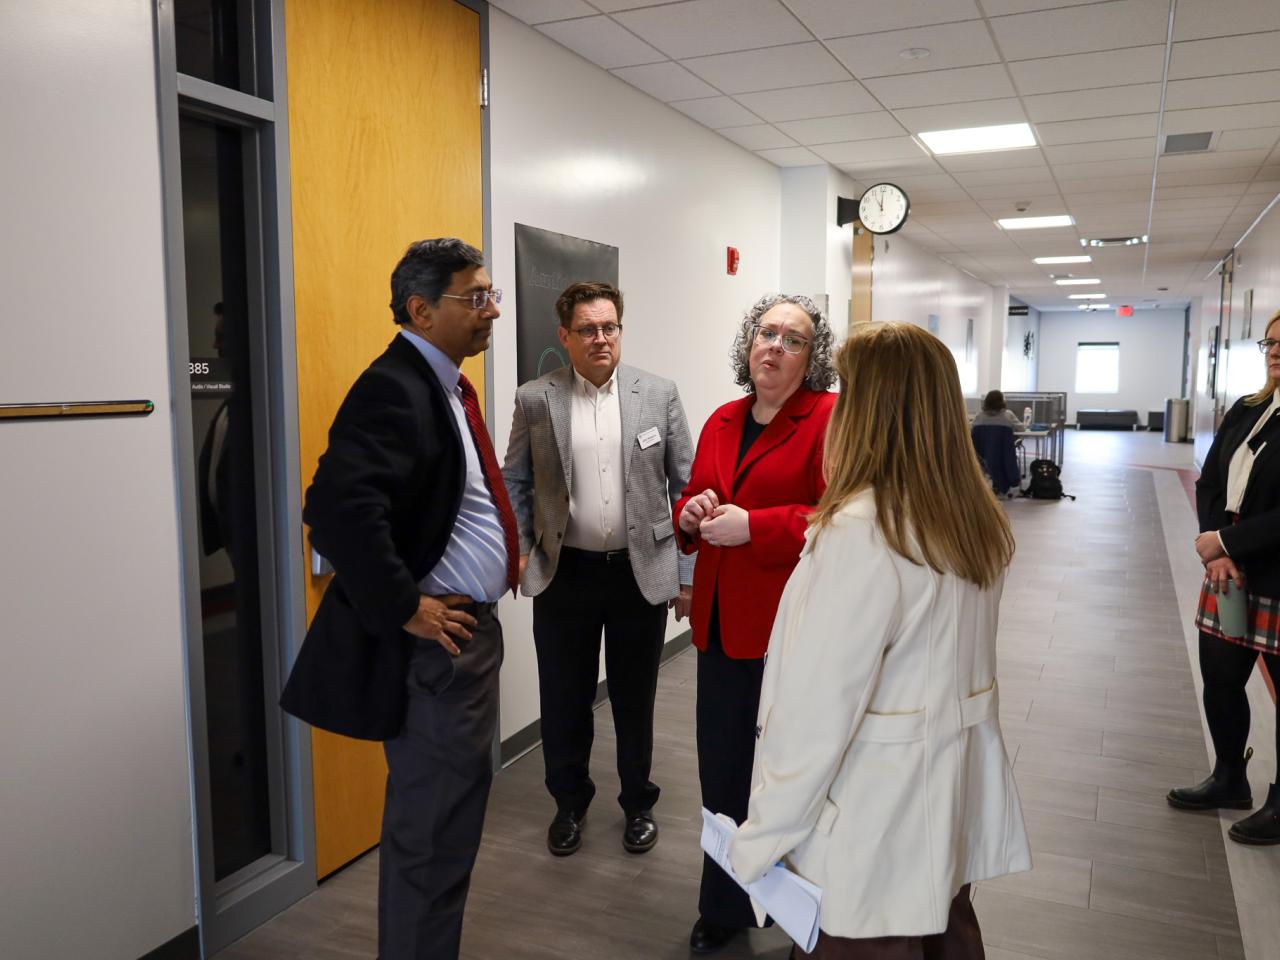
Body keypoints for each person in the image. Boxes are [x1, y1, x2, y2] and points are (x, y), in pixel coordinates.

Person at [729, 321, 1032, 959]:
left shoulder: (864, 532)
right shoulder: (972, 519)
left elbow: (816, 714)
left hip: (872, 826)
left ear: (870, 412)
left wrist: (761, 837)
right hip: (942, 814)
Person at [279, 238, 515, 960]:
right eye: (475, 297)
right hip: (439, 646)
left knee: (446, 829)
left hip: (466, 640)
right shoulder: (396, 385)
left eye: (491, 293)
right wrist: (405, 605)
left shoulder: (443, 386)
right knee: (432, 839)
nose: (492, 310)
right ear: (421, 309)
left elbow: (438, 496)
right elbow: (336, 508)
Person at [502, 280, 695, 857]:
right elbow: (515, 478)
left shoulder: (657, 393)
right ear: (565, 337)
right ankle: (569, 803)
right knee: (565, 697)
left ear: (620, 329)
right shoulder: (536, 398)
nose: (600, 338)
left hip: (640, 573)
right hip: (566, 574)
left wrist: (687, 573)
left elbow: (686, 486)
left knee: (636, 698)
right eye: (587, 329)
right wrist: (517, 548)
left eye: (608, 326)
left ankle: (638, 803)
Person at [674, 294, 836, 954]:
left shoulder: (830, 418)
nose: (775, 346)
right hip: (717, 626)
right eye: (766, 332)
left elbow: (842, 517)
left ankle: (800, 906)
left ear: (811, 357)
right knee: (722, 772)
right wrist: (691, 516)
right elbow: (692, 497)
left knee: (786, 776)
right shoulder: (721, 418)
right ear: (748, 345)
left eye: (793, 339)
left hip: (787, 628)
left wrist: (759, 526)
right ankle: (723, 904)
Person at [1169, 309, 1280, 844]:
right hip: (1229, 573)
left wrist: (1229, 542)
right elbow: (1211, 479)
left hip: (1276, 573)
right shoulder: (1249, 408)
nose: (1276, 352)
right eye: (1271, 343)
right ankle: (1229, 777)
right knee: (1220, 675)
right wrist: (1215, 548)